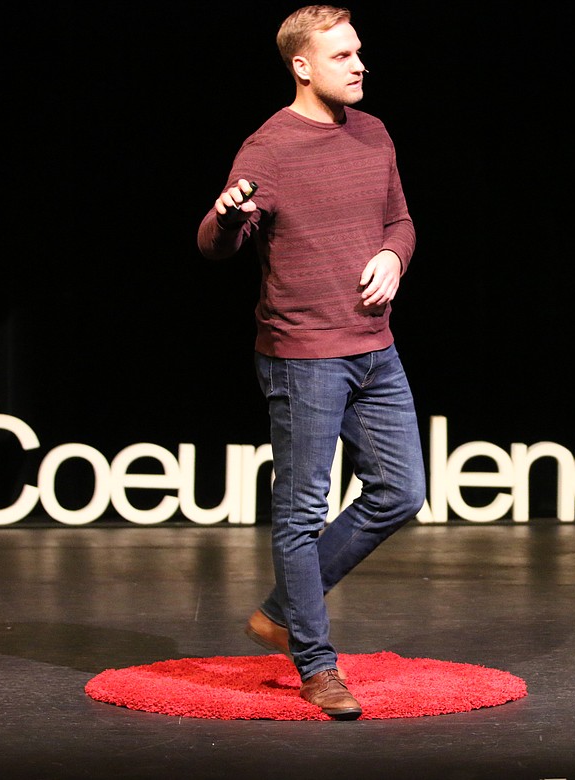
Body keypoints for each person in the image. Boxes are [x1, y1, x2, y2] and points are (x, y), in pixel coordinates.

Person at [196, 5, 425, 720]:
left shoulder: (375, 133)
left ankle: (280, 608)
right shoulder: (268, 148)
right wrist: (230, 215)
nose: (360, 65)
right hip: (304, 358)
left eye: (359, 52)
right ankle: (317, 665)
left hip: (375, 351)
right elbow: (214, 244)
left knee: (401, 492)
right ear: (302, 65)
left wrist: (394, 254)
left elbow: (400, 219)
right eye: (342, 56)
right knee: (300, 513)